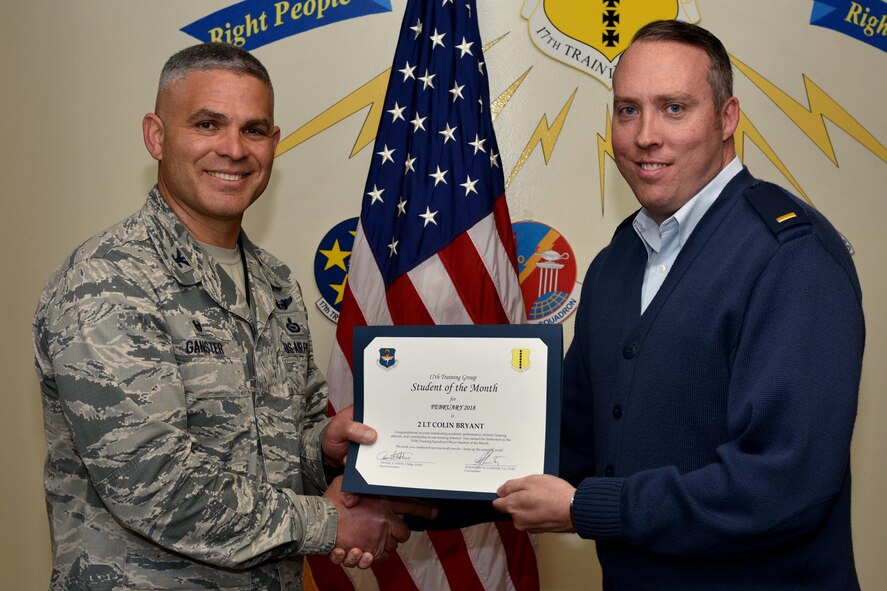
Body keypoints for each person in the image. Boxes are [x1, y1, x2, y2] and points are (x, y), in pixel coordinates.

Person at [33, 42, 432, 591]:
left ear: (273, 143)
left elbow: (267, 440)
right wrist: (331, 521)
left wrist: (321, 448)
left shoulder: (275, 281)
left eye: (253, 129)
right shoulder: (108, 282)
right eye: (207, 123)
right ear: (156, 135)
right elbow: (151, 483)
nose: (233, 149)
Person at [493, 20, 865, 590]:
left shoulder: (791, 256)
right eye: (627, 110)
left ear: (727, 118)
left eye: (674, 108)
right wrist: (406, 476)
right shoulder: (617, 263)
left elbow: (781, 485)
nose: (645, 135)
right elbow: (565, 443)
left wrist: (590, 509)